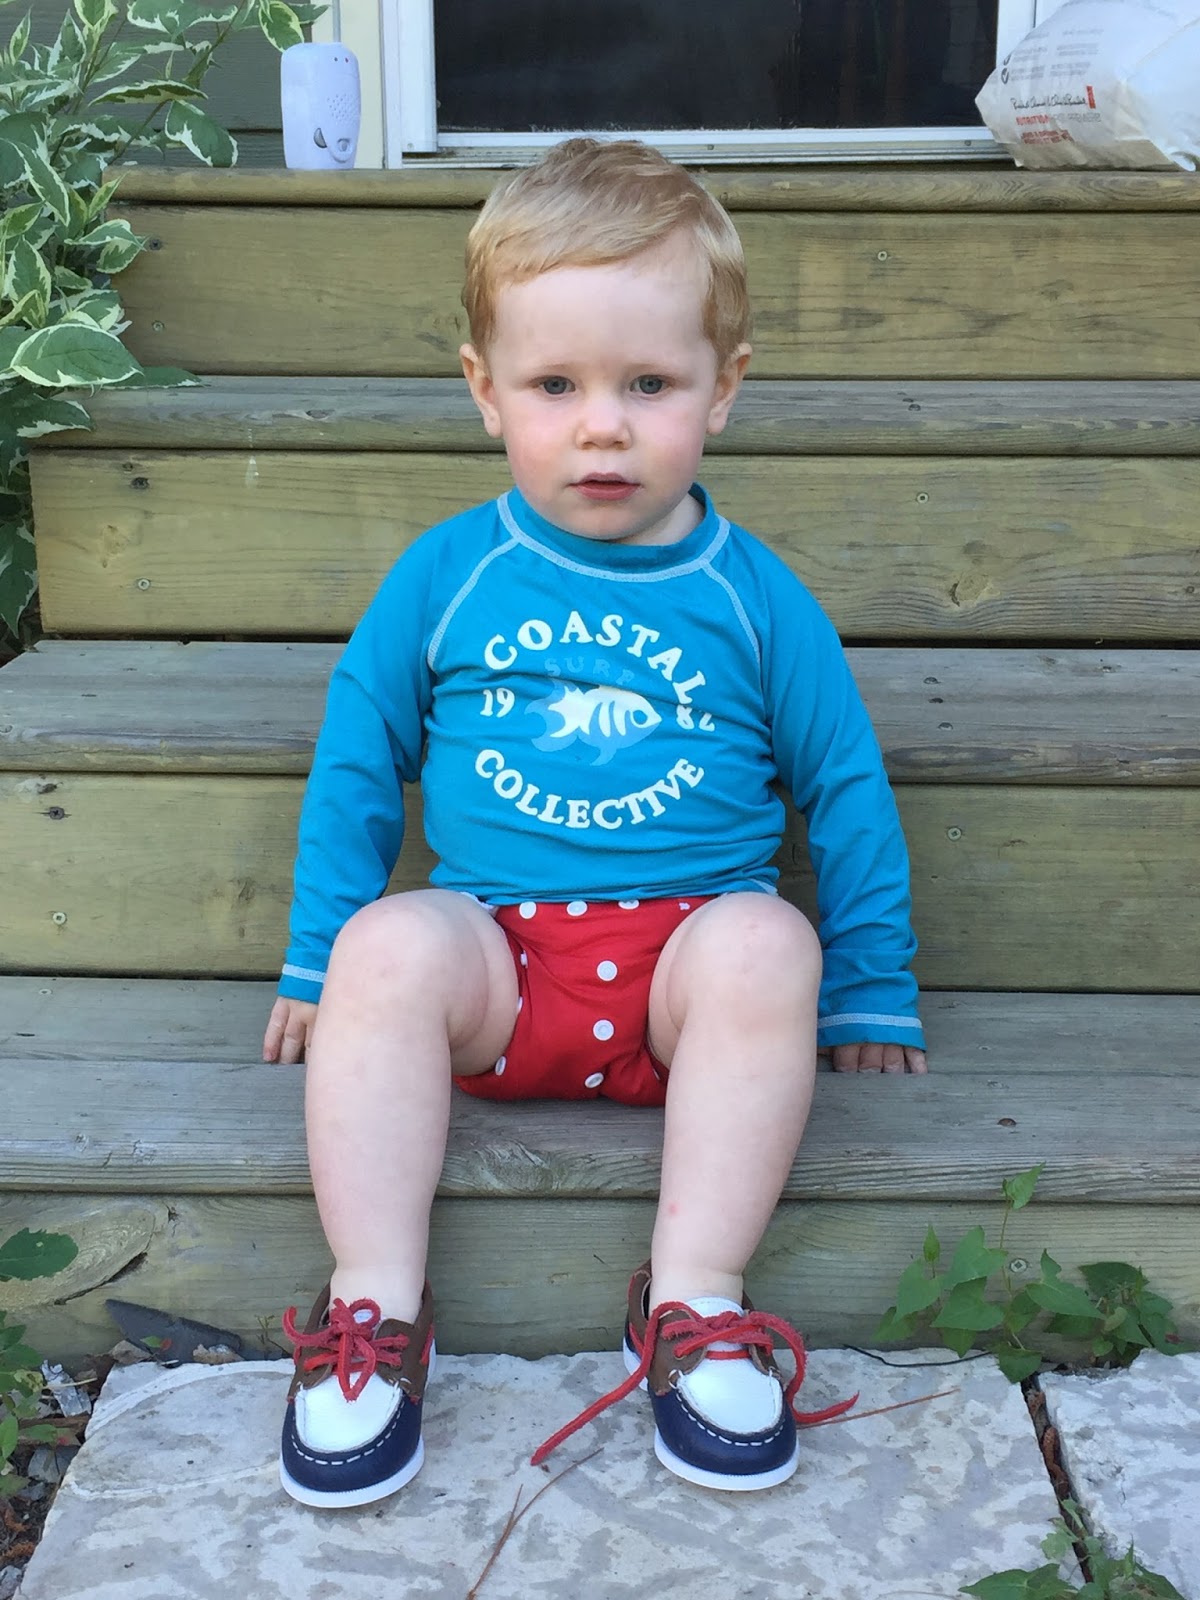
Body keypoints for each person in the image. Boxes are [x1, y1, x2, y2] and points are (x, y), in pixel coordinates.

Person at [264, 136, 926, 1511]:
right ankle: (373, 1309)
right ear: (485, 390)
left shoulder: (754, 593)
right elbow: (359, 756)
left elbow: (846, 784)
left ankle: (696, 1302)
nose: (602, 426)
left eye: (649, 385)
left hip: (689, 983)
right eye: (555, 385)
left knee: (770, 944)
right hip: (499, 967)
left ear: (723, 389)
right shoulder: (451, 573)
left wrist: (872, 983)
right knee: (390, 946)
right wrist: (322, 956)